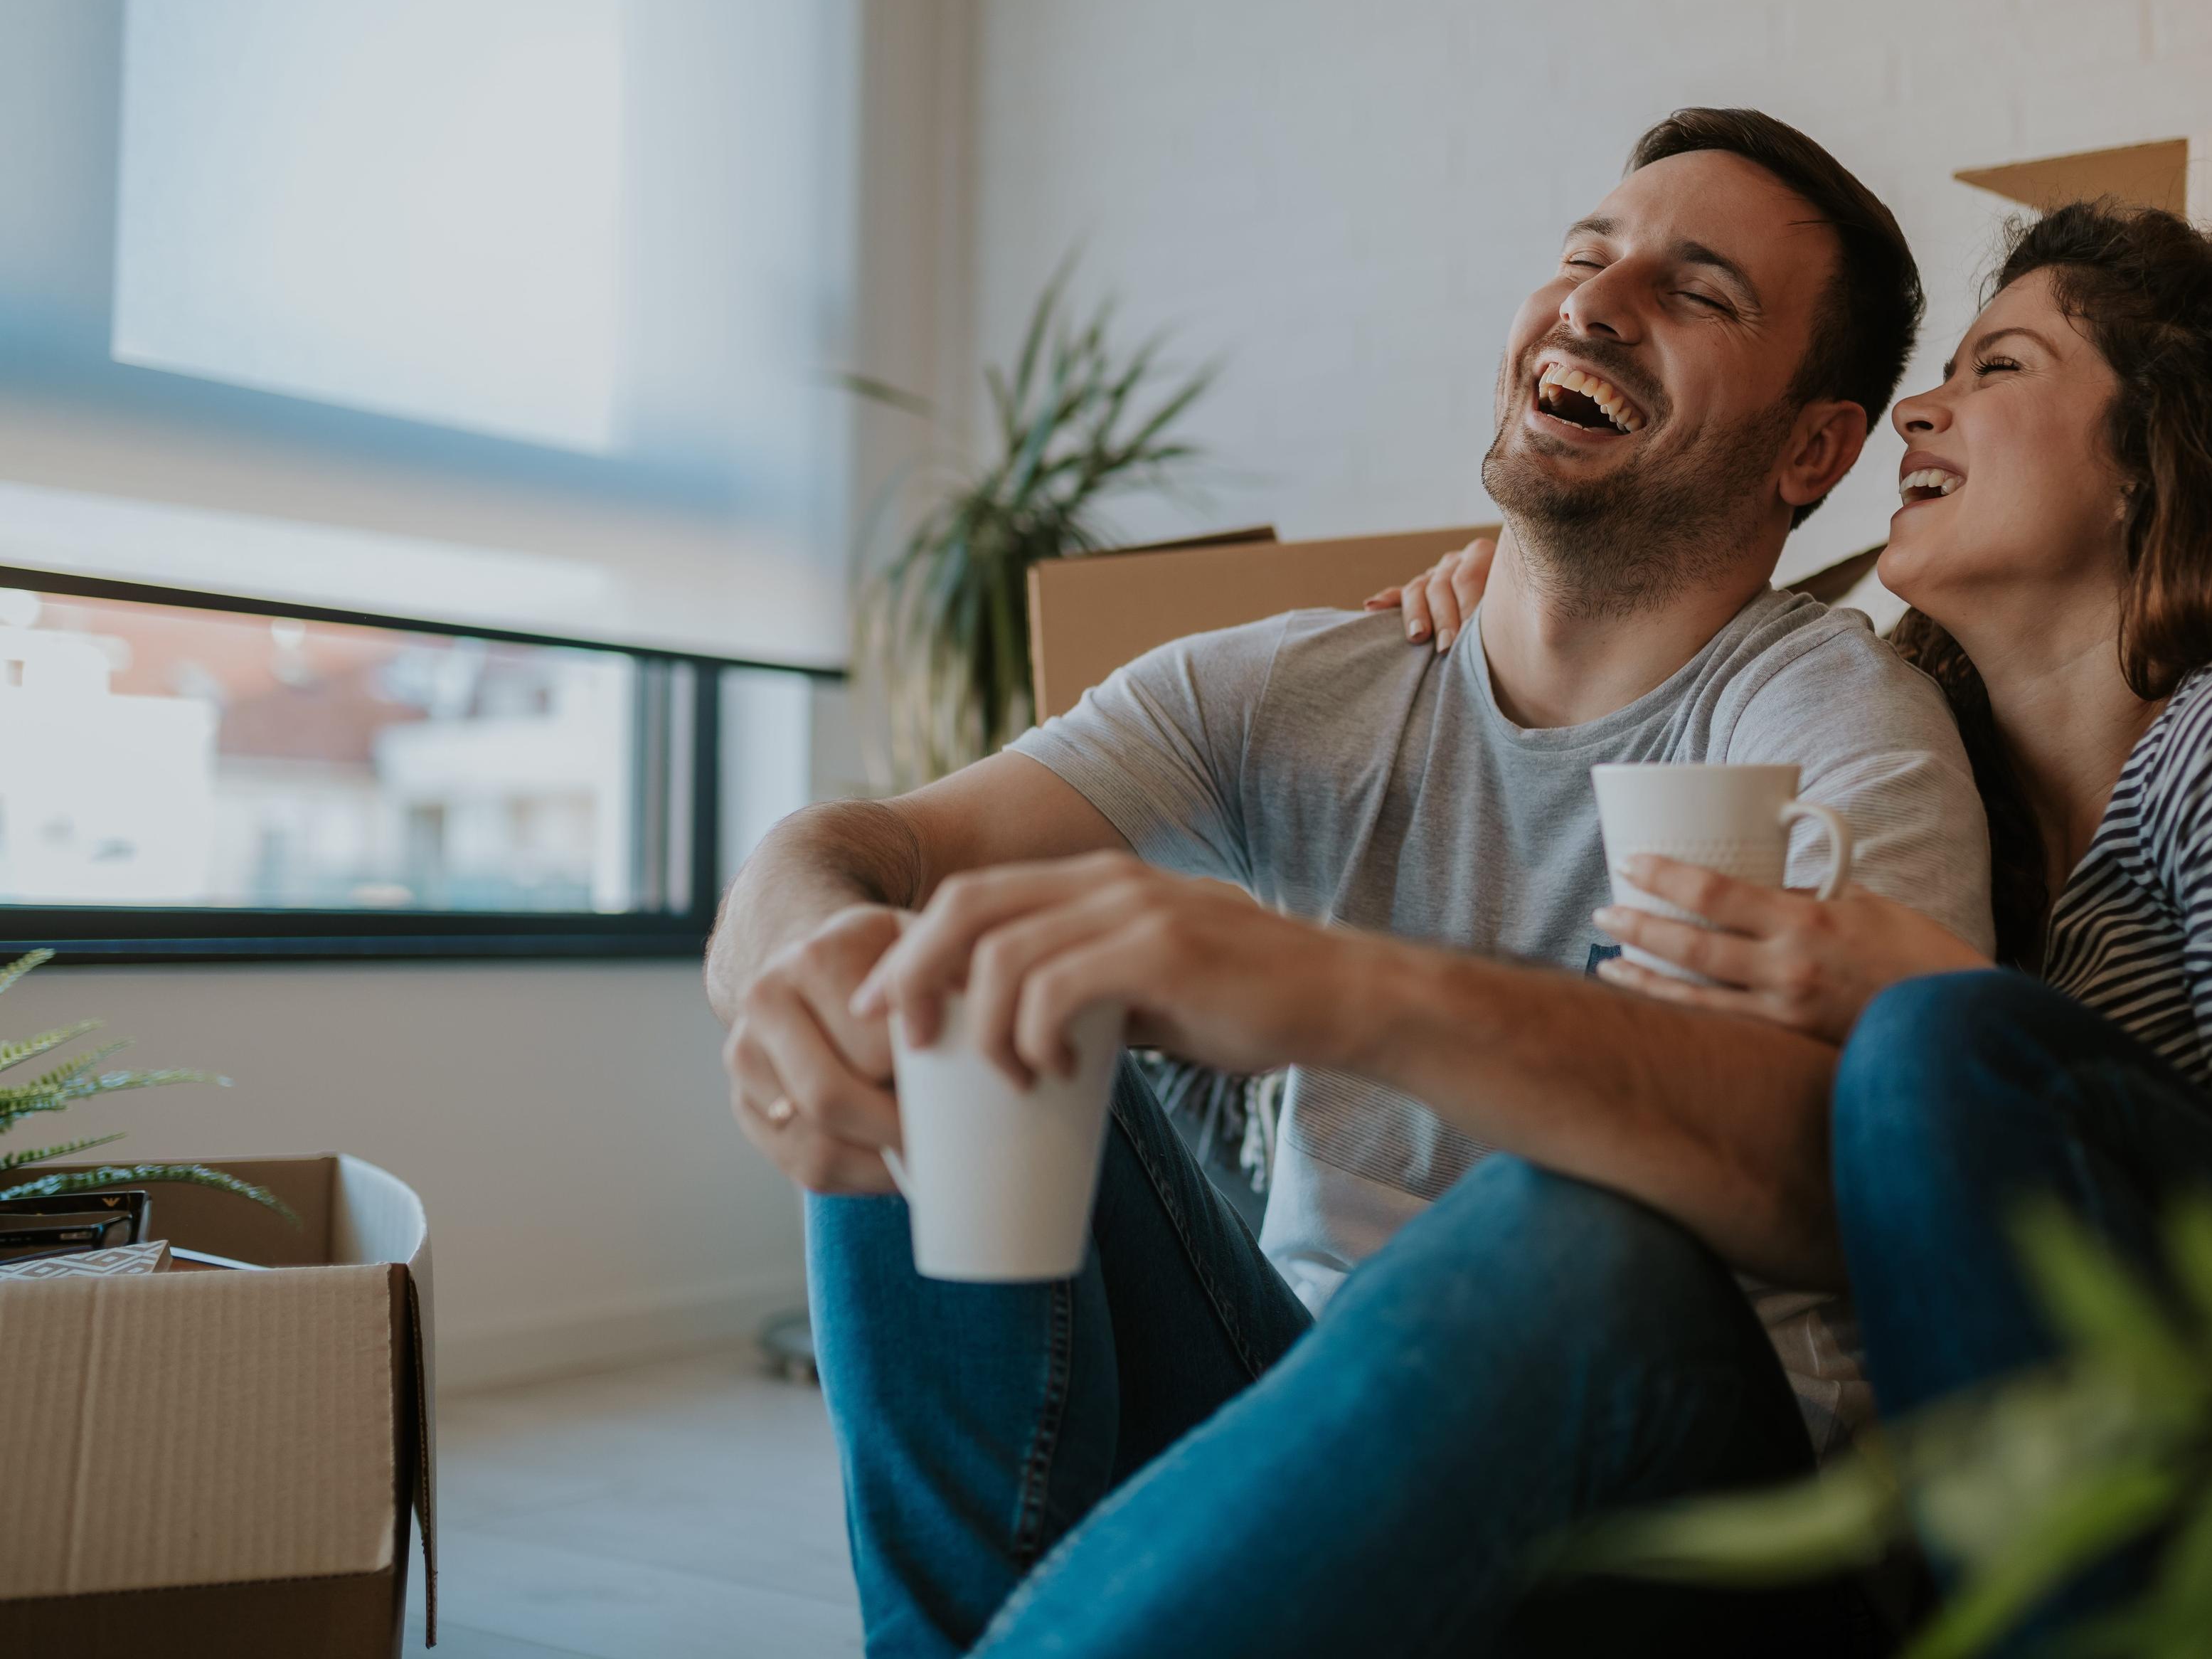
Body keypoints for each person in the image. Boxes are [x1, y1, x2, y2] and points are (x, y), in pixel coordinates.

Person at [706, 108, 1993, 1658]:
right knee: (935, 979)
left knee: (1582, 1242)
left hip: (1682, 1527)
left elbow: (1870, 1190)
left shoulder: (1837, 727)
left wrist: (1345, 991)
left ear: (1813, 447)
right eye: (1589, 254)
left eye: (1700, 291)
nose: (1598, 300)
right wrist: (805, 951)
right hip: (1305, 1425)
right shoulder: (1304, 687)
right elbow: (862, 850)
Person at [1374, 201, 2212, 1456]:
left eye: (1998, 369)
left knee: (1929, 1042)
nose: (1918, 417)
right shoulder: (1974, 816)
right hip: (2067, 1523)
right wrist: (1534, 584)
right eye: (1937, 379)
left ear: (2159, 454)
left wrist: (1957, 1020)